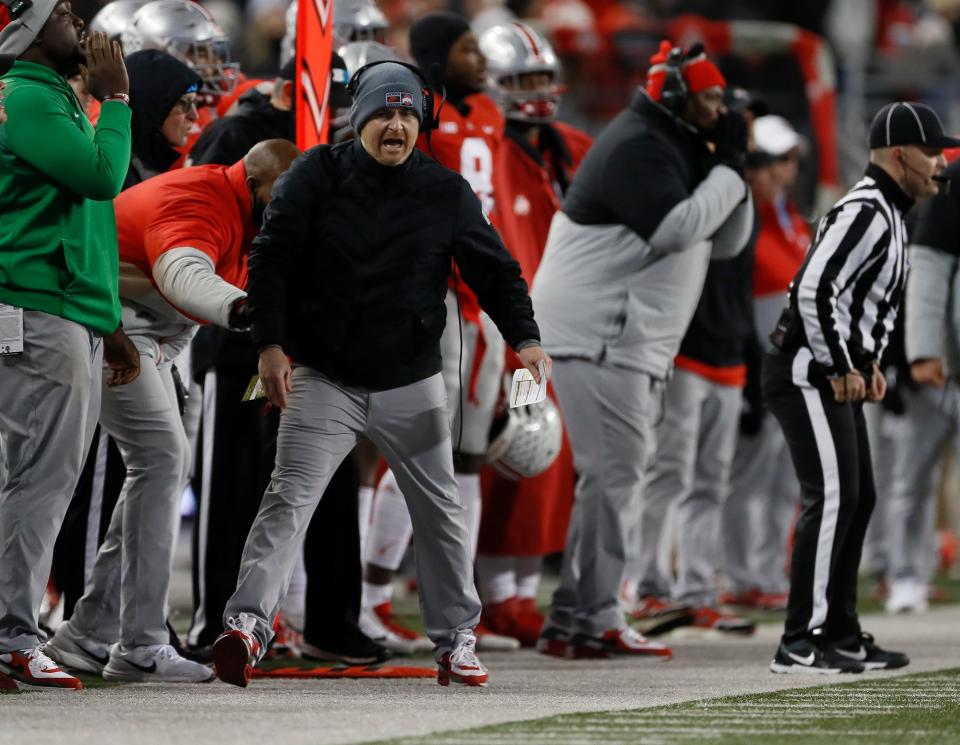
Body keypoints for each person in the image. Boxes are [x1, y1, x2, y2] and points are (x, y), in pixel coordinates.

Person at [211, 61, 549, 689]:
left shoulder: (445, 191)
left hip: (409, 379)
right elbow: (272, 259)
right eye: (383, 113)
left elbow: (496, 271)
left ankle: (456, 640)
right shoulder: (314, 174)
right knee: (288, 499)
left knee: (441, 509)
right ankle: (249, 626)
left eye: (406, 114)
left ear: (422, 121)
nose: (396, 125)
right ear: (360, 117)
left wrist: (524, 339)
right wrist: (270, 346)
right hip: (324, 375)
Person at [45, 139, 299, 683]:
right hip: (106, 326)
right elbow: (182, 271)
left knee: (159, 469)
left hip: (145, 333)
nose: (296, 205)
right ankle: (136, 640)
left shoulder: (249, 209)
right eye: (286, 193)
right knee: (160, 461)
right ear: (256, 185)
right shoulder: (202, 198)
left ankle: (90, 631)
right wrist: (243, 310)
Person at [531, 40, 753, 659]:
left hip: (622, 338)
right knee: (616, 478)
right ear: (678, 96)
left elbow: (728, 239)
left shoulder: (673, 142)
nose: (718, 109)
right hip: (600, 336)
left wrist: (732, 167)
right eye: (709, 98)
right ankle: (596, 616)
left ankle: (574, 618)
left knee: (610, 480)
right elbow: (678, 228)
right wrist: (730, 167)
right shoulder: (638, 144)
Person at [184, 53, 387, 666]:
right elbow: (204, 231)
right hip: (240, 338)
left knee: (329, 477)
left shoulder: (342, 148)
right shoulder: (234, 137)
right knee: (234, 480)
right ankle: (214, 620)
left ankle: (331, 619)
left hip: (319, 340)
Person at [764, 101, 953, 674]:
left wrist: (867, 362)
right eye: (931, 152)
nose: (940, 163)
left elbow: (859, 301)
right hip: (806, 370)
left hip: (830, 371)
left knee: (860, 495)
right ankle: (801, 638)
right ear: (900, 156)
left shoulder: (891, 211)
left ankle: (841, 632)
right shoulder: (868, 208)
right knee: (834, 497)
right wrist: (844, 364)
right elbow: (815, 291)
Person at [359, 10, 515, 653]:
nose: (481, 59)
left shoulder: (491, 116)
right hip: (440, 294)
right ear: (436, 54)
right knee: (423, 447)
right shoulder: (416, 114)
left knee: (472, 455)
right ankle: (369, 601)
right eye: (469, 49)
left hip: (484, 299)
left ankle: (455, 605)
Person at [0, 5, 138, 690]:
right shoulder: (25, 95)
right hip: (37, 307)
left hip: (61, 308)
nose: (79, 21)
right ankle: (13, 633)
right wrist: (114, 101)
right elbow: (100, 178)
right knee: (39, 480)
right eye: (60, 12)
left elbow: (84, 221)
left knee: (34, 479)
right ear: (24, 29)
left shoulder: (47, 95)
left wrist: (106, 318)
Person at [48, 48, 202, 624]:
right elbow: (99, 257)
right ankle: (86, 615)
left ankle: (111, 620)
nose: (193, 116)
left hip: (148, 342)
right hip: (99, 333)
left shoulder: (167, 167)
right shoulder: (110, 158)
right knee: (94, 474)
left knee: (148, 467)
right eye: (182, 104)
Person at [473, 20, 592, 646]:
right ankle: (497, 596)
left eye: (544, 78)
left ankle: (520, 592)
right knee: (514, 455)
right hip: (511, 328)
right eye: (523, 80)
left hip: (558, 326)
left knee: (548, 460)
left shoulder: (568, 145)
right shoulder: (485, 148)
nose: (538, 92)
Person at [722, 114, 810, 611]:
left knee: (782, 475)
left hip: (790, 358)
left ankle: (767, 569)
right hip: (756, 354)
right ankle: (738, 573)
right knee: (747, 472)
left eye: (789, 159)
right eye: (775, 160)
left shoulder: (787, 215)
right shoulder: (746, 215)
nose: (785, 169)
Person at [883, 157, 960, 613]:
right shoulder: (953, 188)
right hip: (936, 372)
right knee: (911, 479)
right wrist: (920, 352)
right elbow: (925, 276)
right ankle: (905, 575)